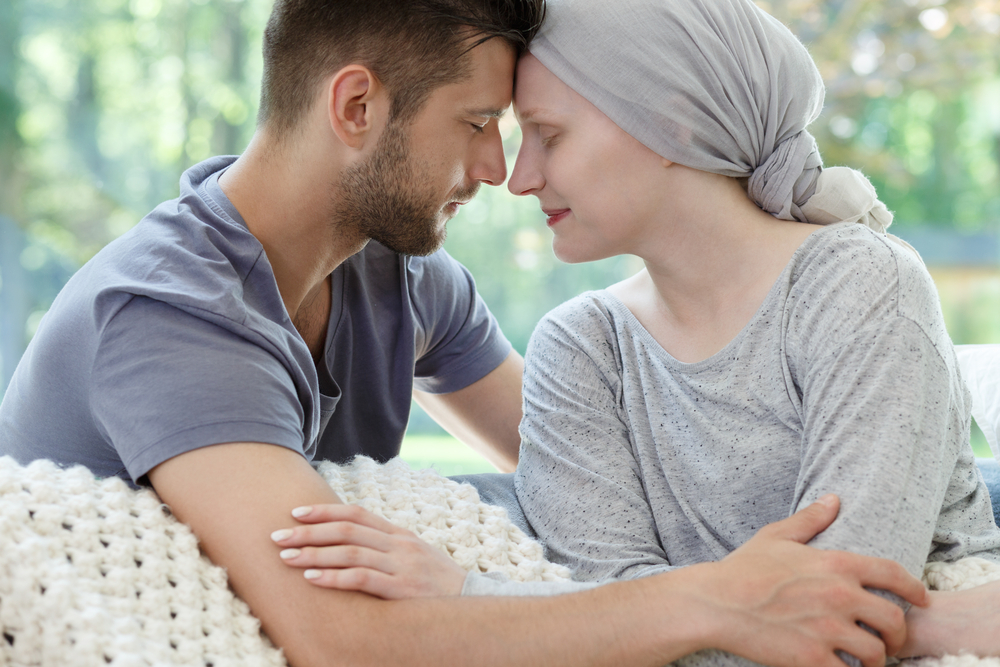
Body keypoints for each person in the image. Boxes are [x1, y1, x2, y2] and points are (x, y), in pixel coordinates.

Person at [0, 1, 976, 666]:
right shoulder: (170, 309)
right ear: (355, 106)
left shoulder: (400, 278)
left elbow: (593, 481)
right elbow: (335, 633)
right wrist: (722, 600)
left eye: (522, 128)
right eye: (477, 121)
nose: (498, 166)